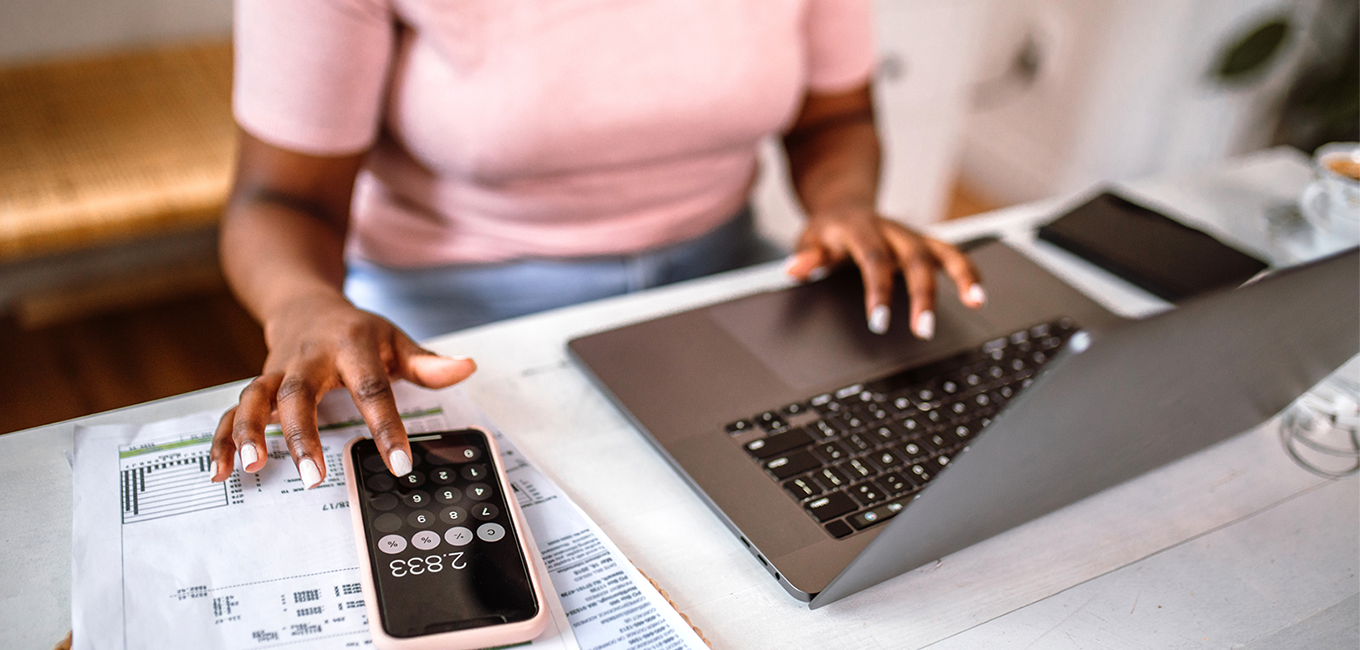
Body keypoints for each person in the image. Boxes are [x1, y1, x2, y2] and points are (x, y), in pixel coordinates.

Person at [208, 0, 986, 488]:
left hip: (716, 274)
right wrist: (303, 303)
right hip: (443, 316)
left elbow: (834, 117)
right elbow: (281, 197)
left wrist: (845, 204)